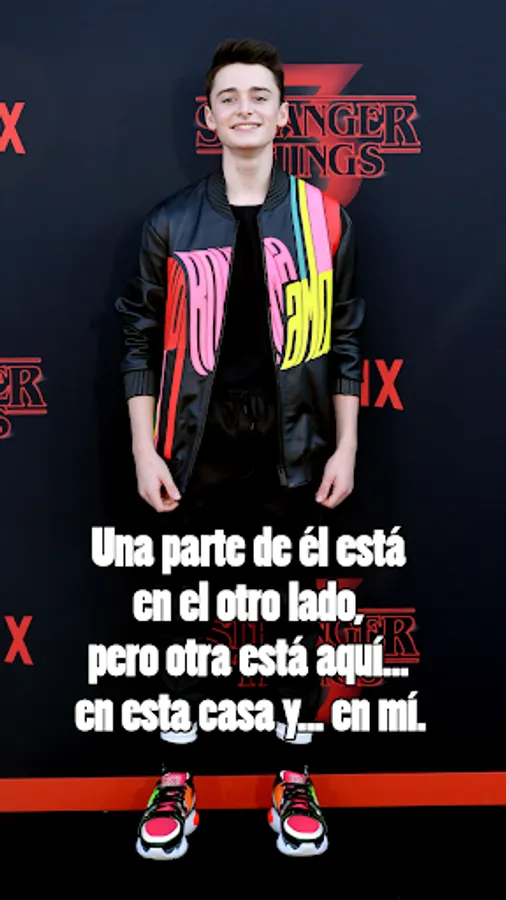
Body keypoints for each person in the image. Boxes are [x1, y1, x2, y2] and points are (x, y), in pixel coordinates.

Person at [115, 38, 365, 860]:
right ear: (211, 116)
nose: (246, 108)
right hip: (195, 456)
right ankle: (175, 780)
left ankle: (294, 777)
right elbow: (138, 341)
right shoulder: (170, 221)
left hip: (293, 455)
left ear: (284, 113)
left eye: (260, 95)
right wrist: (146, 451)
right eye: (230, 96)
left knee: (293, 623)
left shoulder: (325, 219)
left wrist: (345, 447)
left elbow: (346, 339)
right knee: (183, 622)